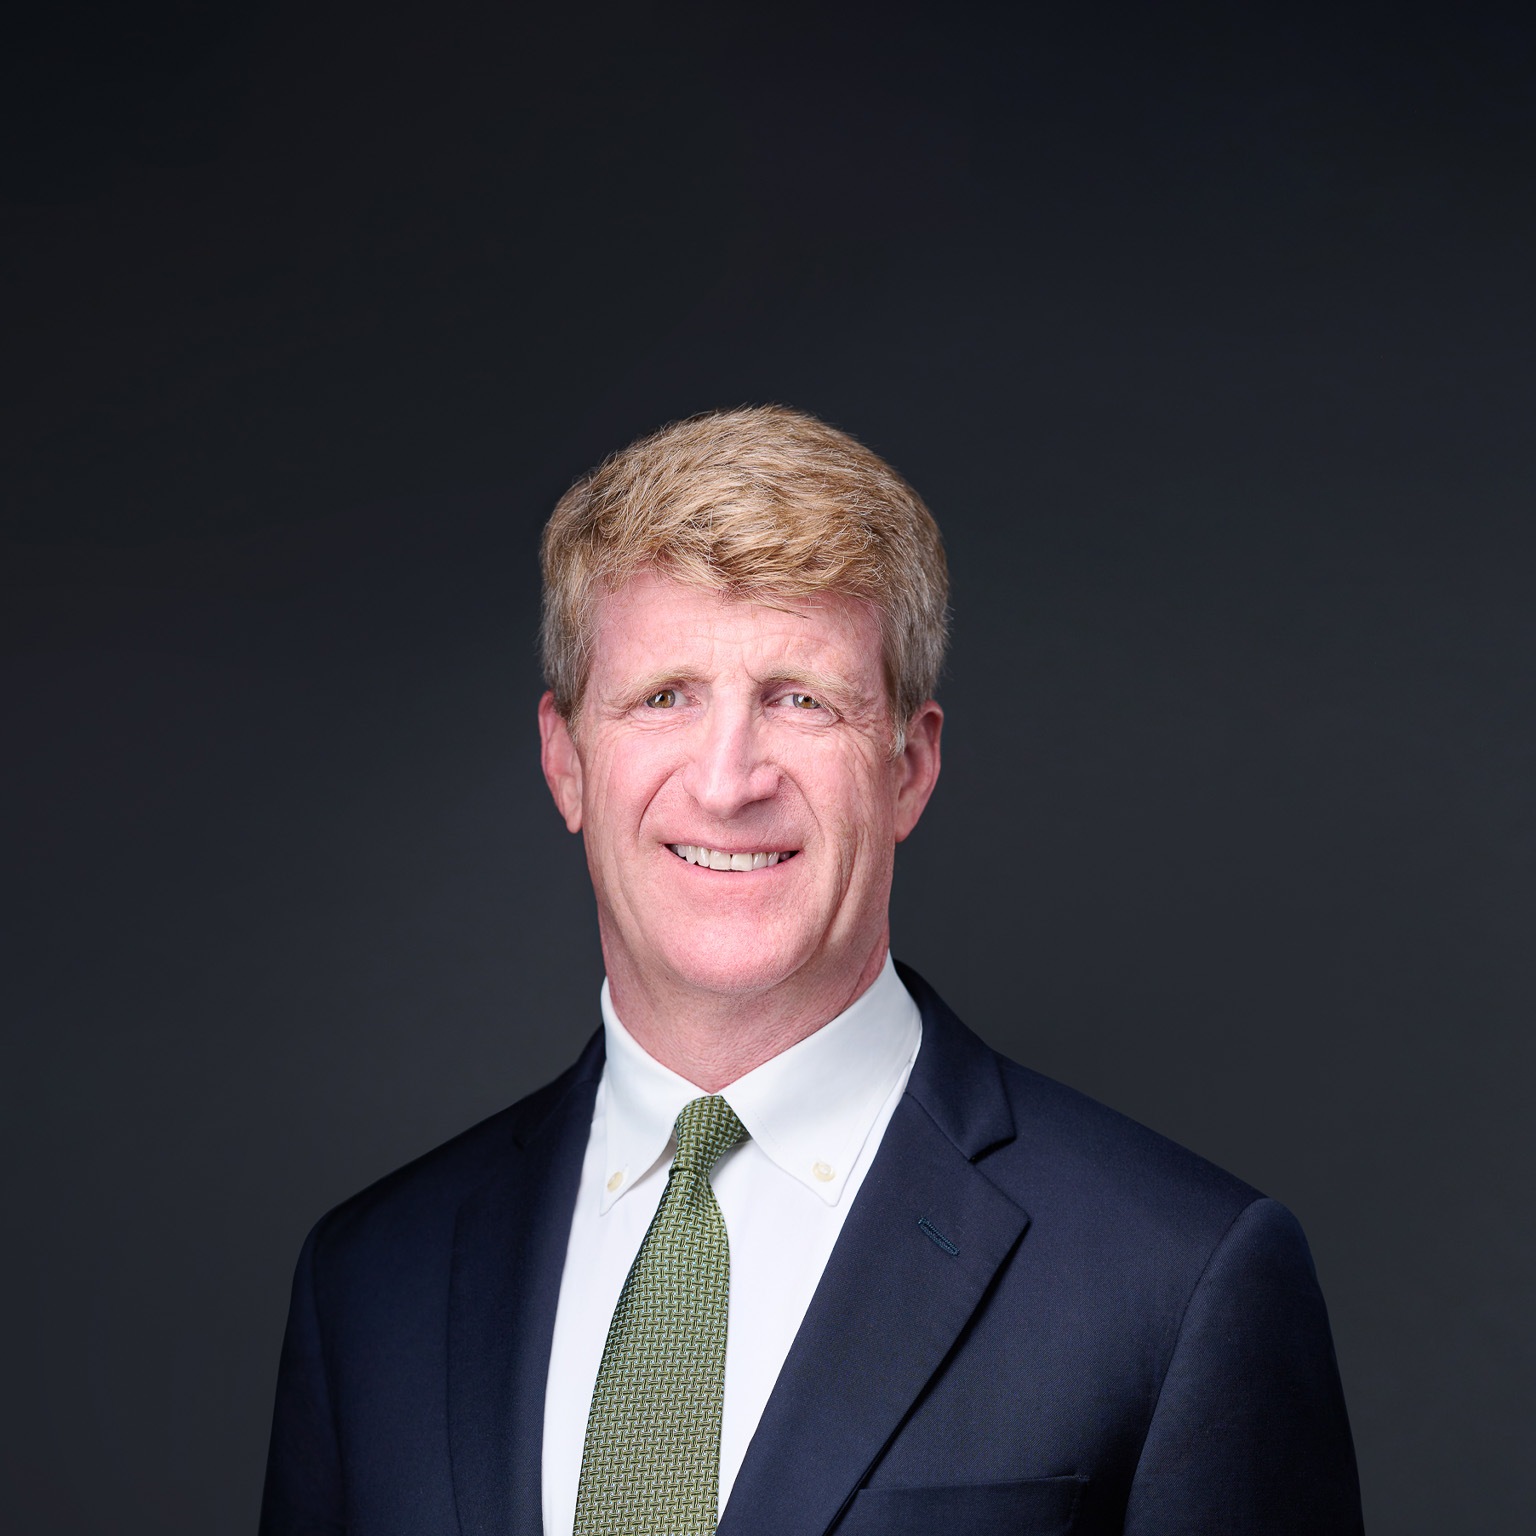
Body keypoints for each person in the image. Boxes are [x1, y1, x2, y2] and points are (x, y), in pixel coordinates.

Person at [260, 406, 1362, 1535]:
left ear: (910, 767)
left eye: (801, 699)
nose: (729, 781)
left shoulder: (1176, 1283)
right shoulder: (370, 1281)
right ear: (565, 758)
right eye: (665, 696)